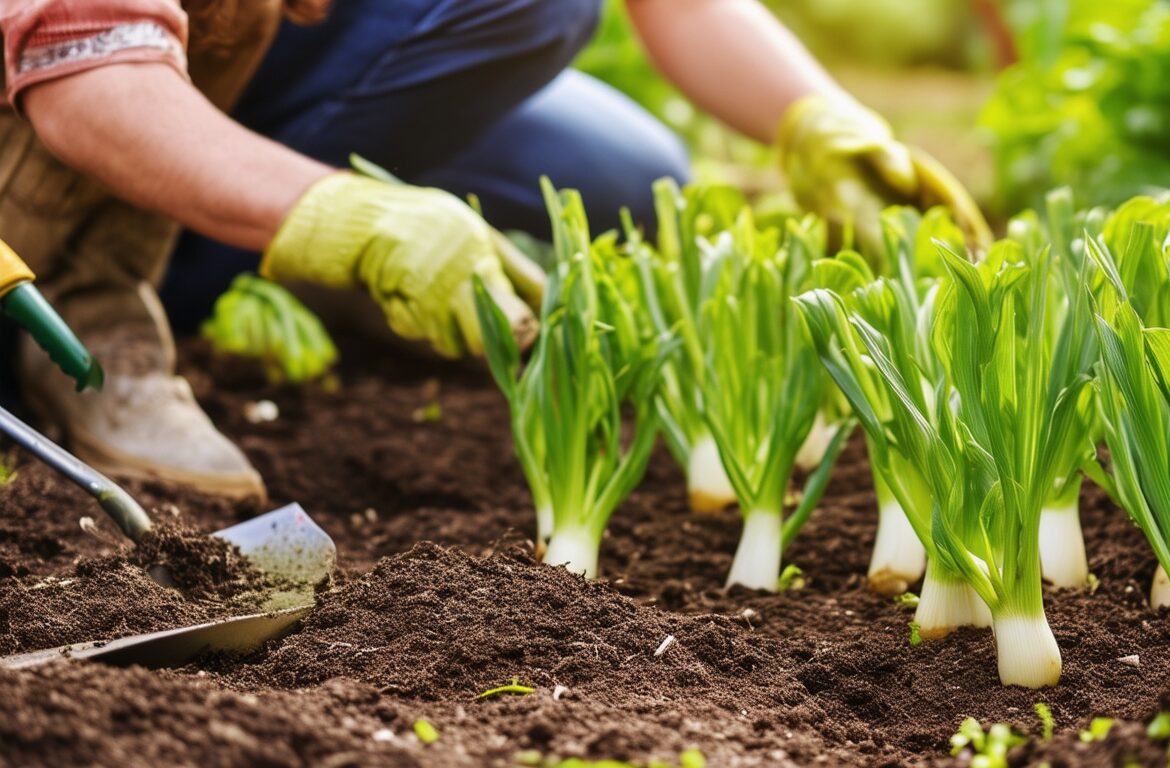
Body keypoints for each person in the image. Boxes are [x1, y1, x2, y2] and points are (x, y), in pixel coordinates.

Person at [0, 0, 991, 500]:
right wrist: (347, 217)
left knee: (624, 175)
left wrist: (822, 121)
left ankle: (282, 225)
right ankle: (108, 289)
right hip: (60, 102)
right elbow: (90, 75)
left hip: (240, 46)